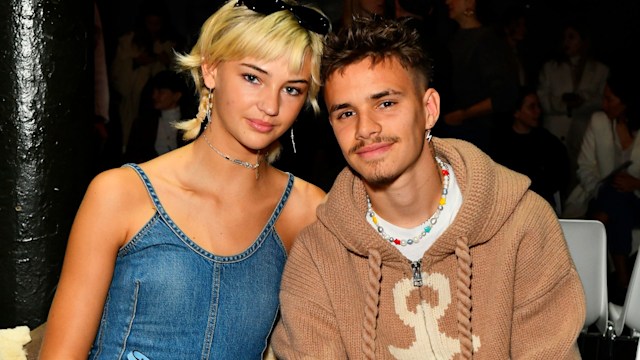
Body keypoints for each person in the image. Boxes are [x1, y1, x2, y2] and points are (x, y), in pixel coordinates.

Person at [271, 16, 585, 359]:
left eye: (386, 103)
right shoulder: (318, 256)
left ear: (429, 108)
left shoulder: (522, 224)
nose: (366, 129)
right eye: (346, 113)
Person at [39, 1, 329, 358]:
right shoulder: (120, 194)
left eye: (292, 89)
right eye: (253, 77)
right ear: (211, 70)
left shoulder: (307, 209)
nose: (271, 105)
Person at [563, 64, 640, 303]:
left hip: (635, 201)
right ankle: (623, 283)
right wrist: (602, 186)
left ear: (626, 102)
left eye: (610, 99)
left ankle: (599, 220)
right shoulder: (598, 121)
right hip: (600, 195)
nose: (604, 104)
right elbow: (584, 167)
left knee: (618, 198)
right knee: (615, 195)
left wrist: (635, 182)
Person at [433, 0, 519, 156]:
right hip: (453, 132)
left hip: (475, 135)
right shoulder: (453, 39)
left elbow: (504, 95)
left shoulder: (487, 40)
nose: (447, 1)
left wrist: (461, 115)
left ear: (470, 3)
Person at [537, 19, 609, 190]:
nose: (566, 42)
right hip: (555, 132)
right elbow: (543, 99)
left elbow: (603, 100)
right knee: (553, 176)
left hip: (583, 133)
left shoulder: (600, 70)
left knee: (581, 178)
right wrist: (564, 103)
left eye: (572, 37)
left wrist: (582, 101)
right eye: (564, 37)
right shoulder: (550, 67)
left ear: (583, 41)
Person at [491, 85, 571, 213]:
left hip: (540, 206)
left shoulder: (548, 141)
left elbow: (561, 174)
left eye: (538, 106)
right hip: (508, 206)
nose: (537, 111)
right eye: (531, 107)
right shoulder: (499, 142)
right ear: (516, 112)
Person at [124, 70, 195, 163]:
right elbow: (131, 158)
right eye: (154, 91)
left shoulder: (192, 125)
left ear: (177, 95)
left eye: (161, 92)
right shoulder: (143, 124)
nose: (154, 96)